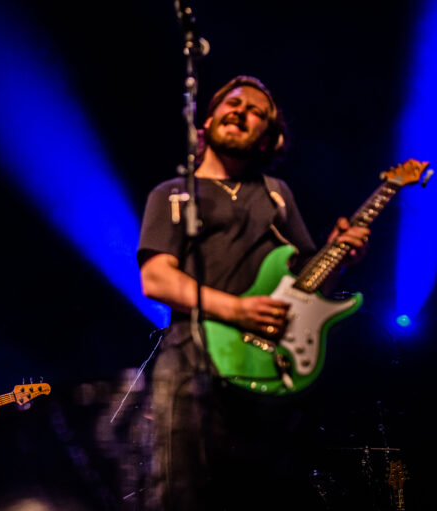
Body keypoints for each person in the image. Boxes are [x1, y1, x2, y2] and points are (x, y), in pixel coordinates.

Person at [137, 75, 370, 510]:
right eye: (233, 102)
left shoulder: (277, 196)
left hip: (267, 370)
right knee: (180, 496)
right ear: (208, 119)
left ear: (271, 136)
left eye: (257, 111)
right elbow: (157, 280)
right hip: (191, 358)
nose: (242, 111)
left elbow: (305, 287)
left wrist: (340, 258)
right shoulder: (170, 195)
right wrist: (238, 310)